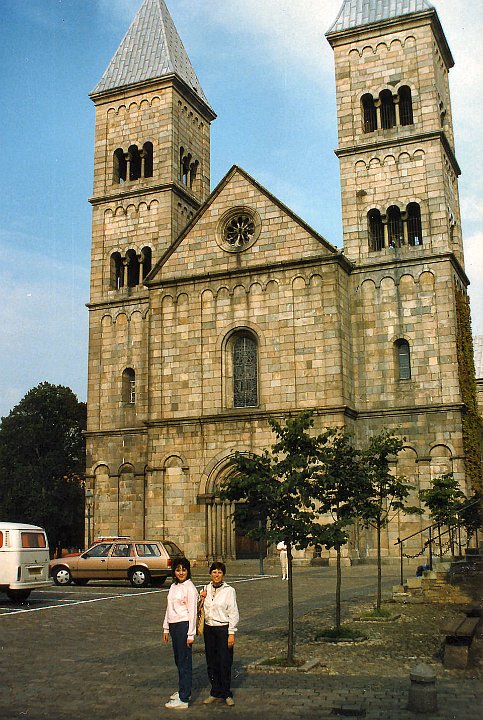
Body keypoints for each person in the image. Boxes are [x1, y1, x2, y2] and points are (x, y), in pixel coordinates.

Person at [200, 561, 239, 707]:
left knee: (225, 661)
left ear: (223, 575)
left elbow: (233, 612)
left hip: (223, 629)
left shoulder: (229, 591)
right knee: (212, 662)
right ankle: (215, 691)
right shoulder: (206, 588)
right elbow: (200, 609)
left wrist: (231, 633)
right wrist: (201, 598)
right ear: (210, 573)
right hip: (209, 629)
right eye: (214, 572)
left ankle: (226, 693)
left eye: (220, 572)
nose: (217, 575)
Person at [163, 558, 198, 710]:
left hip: (184, 626)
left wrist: (191, 634)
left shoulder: (190, 588)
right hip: (173, 626)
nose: (181, 573)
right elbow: (169, 607)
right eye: (178, 570)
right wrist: (166, 628)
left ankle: (184, 699)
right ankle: (184, 690)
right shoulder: (173, 586)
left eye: (184, 570)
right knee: (179, 660)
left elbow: (193, 612)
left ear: (188, 571)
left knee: (184, 662)